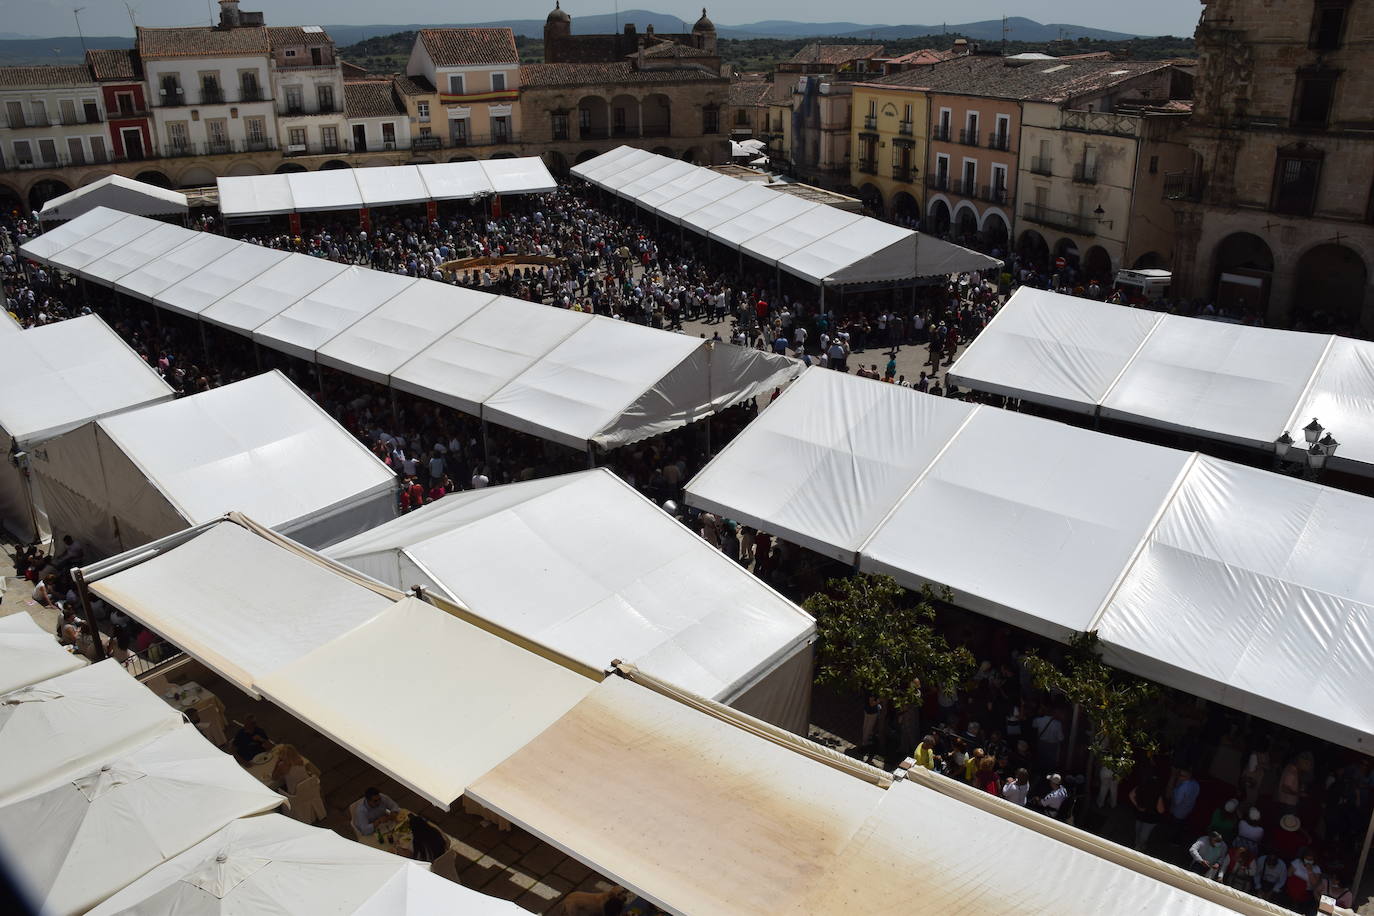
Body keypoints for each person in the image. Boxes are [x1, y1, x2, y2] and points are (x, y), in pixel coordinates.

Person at [1129, 774, 1166, 851]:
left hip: (1140, 814)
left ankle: (1137, 843)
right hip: (1151, 818)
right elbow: (1161, 810)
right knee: (1144, 834)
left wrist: (1137, 806)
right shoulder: (1158, 794)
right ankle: (1140, 846)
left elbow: (1131, 795)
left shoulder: (1140, 787)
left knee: (1138, 830)